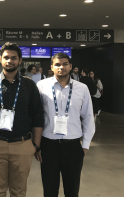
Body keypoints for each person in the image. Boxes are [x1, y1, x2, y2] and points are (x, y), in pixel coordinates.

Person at [0, 42, 44, 197]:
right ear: (1, 59)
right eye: (6, 57)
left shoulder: (29, 85)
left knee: (19, 191)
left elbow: (37, 116)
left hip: (22, 145)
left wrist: (35, 145)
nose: (10, 61)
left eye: (14, 58)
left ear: (20, 60)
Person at [36, 53, 95, 197]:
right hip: (48, 146)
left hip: (73, 147)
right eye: (57, 64)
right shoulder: (41, 86)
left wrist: (85, 145)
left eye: (65, 63)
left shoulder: (82, 88)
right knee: (49, 190)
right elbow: (36, 117)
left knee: (72, 190)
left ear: (70, 66)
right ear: (51, 67)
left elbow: (88, 117)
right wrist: (36, 144)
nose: (61, 67)